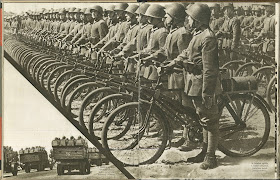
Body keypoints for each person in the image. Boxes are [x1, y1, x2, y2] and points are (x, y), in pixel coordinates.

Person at [166, 3, 222, 170]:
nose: (187, 20)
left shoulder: (208, 37)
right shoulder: (197, 34)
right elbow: (186, 53)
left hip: (203, 85)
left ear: (197, 20)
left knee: (210, 122)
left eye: (189, 18)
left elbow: (210, 69)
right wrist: (174, 62)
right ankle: (204, 152)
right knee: (203, 120)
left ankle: (211, 157)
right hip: (194, 83)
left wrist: (207, 93)